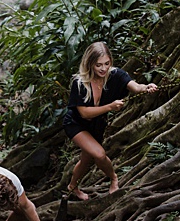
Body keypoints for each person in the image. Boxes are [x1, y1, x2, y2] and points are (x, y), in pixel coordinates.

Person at [63, 41, 158, 200]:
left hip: (97, 125)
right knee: (99, 155)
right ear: (90, 64)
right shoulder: (79, 83)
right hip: (76, 124)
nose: (103, 68)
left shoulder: (116, 75)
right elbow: (85, 113)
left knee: (86, 159)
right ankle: (114, 178)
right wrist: (110, 107)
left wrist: (146, 87)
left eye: (107, 63)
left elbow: (135, 87)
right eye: (98, 65)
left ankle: (72, 186)